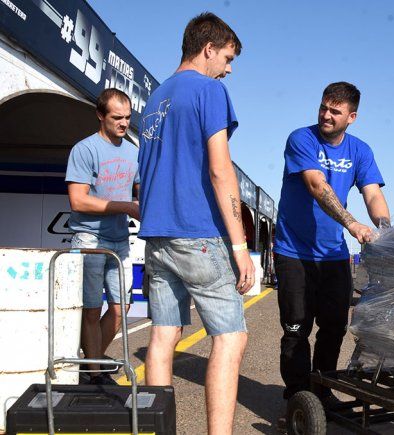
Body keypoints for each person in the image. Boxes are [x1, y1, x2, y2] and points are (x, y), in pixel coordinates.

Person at [137, 12, 254, 434]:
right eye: (227, 57)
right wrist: (240, 247)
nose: (228, 68)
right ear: (208, 49)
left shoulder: (154, 98)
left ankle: (156, 429)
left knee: (164, 334)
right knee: (230, 337)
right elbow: (221, 170)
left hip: (157, 233)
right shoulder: (208, 91)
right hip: (198, 233)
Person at [274, 82, 390, 408]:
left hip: (333, 255)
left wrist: (386, 233)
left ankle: (322, 393)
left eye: (334, 111)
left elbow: (373, 194)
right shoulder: (302, 138)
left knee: (334, 327)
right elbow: (315, 184)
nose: (326, 115)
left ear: (351, 117)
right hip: (293, 252)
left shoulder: (360, 151)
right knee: (297, 330)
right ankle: (298, 399)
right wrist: (352, 223)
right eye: (323, 107)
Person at [66, 88, 140, 385]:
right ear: (100, 115)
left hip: (120, 240)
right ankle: (95, 374)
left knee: (123, 308)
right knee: (92, 309)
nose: (124, 123)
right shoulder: (84, 149)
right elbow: (78, 201)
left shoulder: (134, 151)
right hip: (89, 239)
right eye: (117, 117)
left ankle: (90, 361)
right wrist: (127, 207)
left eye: (128, 117)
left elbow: (141, 194)